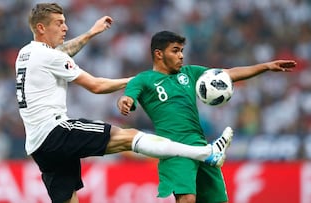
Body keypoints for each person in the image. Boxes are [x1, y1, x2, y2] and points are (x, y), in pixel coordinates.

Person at [15, 3, 233, 203]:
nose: (65, 27)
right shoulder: (50, 57)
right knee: (128, 137)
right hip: (57, 132)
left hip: (38, 145)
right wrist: (136, 80)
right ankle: (205, 153)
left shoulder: (26, 53)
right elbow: (96, 86)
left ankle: (205, 153)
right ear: (41, 28)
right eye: (59, 23)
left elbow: (63, 51)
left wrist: (91, 33)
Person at [117, 30, 296, 203]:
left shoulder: (189, 73)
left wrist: (266, 66)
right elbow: (128, 96)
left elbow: (228, 74)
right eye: (175, 51)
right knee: (187, 199)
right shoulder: (143, 79)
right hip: (174, 149)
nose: (181, 56)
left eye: (181, 51)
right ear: (158, 54)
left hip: (203, 149)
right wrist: (124, 101)